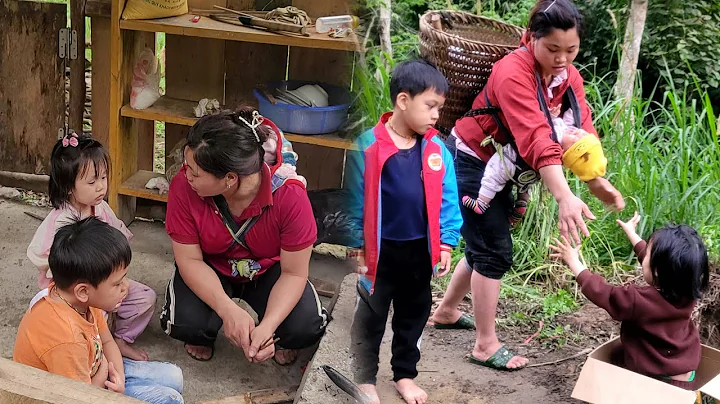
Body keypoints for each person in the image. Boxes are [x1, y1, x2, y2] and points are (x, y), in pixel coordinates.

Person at [428, 0, 625, 371]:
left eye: (571, 50)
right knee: (494, 251)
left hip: (504, 166)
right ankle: (485, 346)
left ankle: (447, 311)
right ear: (532, 38)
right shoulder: (511, 72)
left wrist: (596, 179)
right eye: (553, 49)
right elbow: (536, 137)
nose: (562, 58)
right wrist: (563, 194)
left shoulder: (568, 78)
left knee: (484, 246)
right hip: (472, 161)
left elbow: (581, 132)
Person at [160, 107, 328, 365]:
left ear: (229, 179)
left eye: (195, 172)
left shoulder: (290, 195)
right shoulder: (184, 187)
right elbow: (189, 260)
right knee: (185, 323)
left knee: (305, 327)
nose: (186, 175)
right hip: (211, 265)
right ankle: (203, 332)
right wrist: (227, 310)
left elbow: (294, 273)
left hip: (268, 270)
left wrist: (268, 326)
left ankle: (277, 336)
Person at [345, 59, 463, 404]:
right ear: (402, 101)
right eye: (430, 106)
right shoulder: (368, 146)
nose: (436, 115)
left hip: (417, 253)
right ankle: (364, 378)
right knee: (370, 315)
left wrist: (445, 242)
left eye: (439, 108)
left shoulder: (437, 150)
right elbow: (352, 200)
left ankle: (405, 375)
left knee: (414, 313)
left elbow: (448, 200)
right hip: (378, 254)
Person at [14, 218, 184, 404]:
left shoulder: (78, 300)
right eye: (117, 283)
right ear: (83, 291)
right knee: (172, 400)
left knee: (174, 377)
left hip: (94, 369)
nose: (125, 287)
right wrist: (105, 370)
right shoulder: (66, 337)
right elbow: (80, 397)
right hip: (75, 392)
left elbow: (108, 341)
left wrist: (118, 378)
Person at [26, 133, 156, 361]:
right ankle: (99, 352)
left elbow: (118, 239)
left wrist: (118, 283)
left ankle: (121, 340)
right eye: (92, 181)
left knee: (145, 298)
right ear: (68, 187)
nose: (101, 187)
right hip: (79, 292)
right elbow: (49, 261)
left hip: (104, 283)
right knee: (93, 317)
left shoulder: (102, 209)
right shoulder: (61, 222)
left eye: (104, 178)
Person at [550, 213, 709, 390]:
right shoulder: (689, 290)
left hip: (656, 381)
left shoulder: (638, 300)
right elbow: (659, 262)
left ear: (657, 270)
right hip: (686, 376)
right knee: (621, 350)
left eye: (647, 253)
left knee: (616, 358)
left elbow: (602, 292)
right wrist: (632, 234)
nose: (643, 258)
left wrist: (574, 262)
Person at [460, 104, 624, 218]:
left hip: (510, 162)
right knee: (525, 185)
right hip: (528, 172)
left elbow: (540, 123)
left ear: (567, 152)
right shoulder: (565, 136)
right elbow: (571, 116)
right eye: (580, 133)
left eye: (576, 137)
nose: (576, 131)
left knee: (492, 175)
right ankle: (521, 203)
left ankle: (481, 202)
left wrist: (550, 115)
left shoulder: (555, 140)